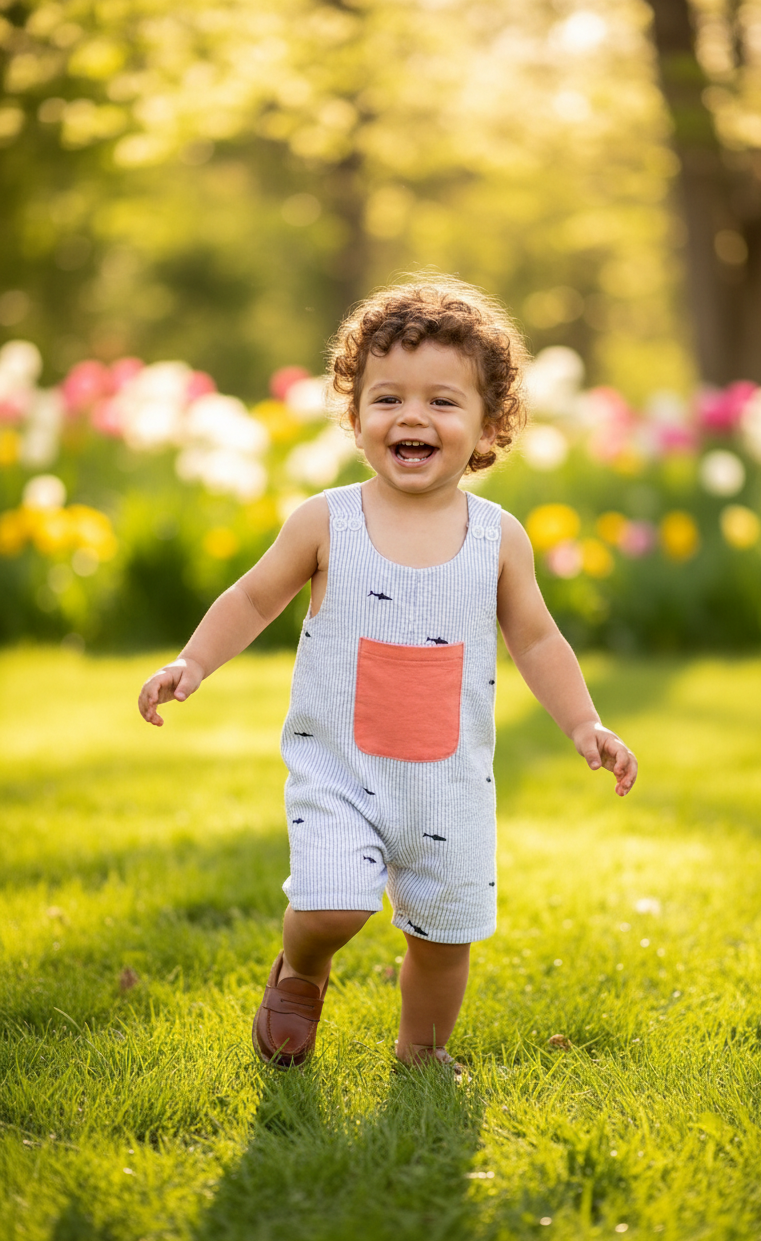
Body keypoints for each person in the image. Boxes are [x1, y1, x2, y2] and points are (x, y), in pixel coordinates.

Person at [138, 276, 638, 1074]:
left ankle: (422, 1052)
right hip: (340, 769)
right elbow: (254, 595)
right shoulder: (327, 520)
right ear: (356, 414)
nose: (412, 417)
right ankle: (301, 968)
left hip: (449, 785)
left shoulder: (497, 538)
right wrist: (192, 661)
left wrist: (586, 724)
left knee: (444, 938)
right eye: (387, 399)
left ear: (488, 425)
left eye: (443, 401)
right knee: (330, 903)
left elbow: (538, 639)